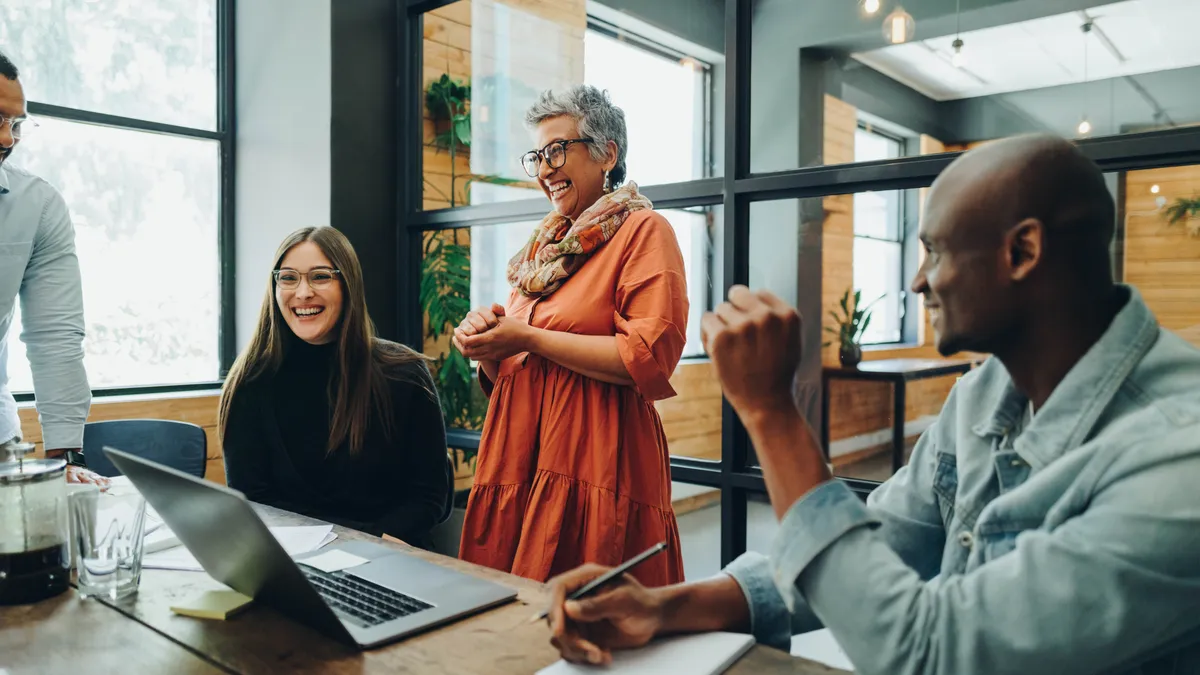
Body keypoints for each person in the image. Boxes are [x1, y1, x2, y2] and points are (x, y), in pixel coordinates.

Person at [542, 134, 1200, 674]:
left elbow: (929, 650)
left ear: (1022, 251)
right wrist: (665, 605)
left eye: (935, 251)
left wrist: (771, 413)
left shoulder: (1178, 460)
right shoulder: (983, 394)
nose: (918, 281)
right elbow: (876, 544)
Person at [452, 85, 687, 586]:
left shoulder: (644, 231)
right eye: (537, 155)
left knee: (593, 621)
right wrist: (488, 345)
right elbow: (512, 372)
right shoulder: (542, 251)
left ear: (608, 154)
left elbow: (646, 358)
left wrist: (528, 338)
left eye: (558, 149)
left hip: (596, 461)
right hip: (519, 458)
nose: (544, 169)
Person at [219, 227, 450, 549]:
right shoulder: (250, 380)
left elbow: (430, 495)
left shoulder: (404, 372)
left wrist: (371, 545)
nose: (302, 293)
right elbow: (253, 500)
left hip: (387, 556)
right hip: (291, 560)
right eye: (288, 278)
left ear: (348, 285)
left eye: (320, 277)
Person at [0, 51, 105, 486]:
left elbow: (55, 337)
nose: (7, 139)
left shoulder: (37, 205)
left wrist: (66, 461)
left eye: (15, 123)